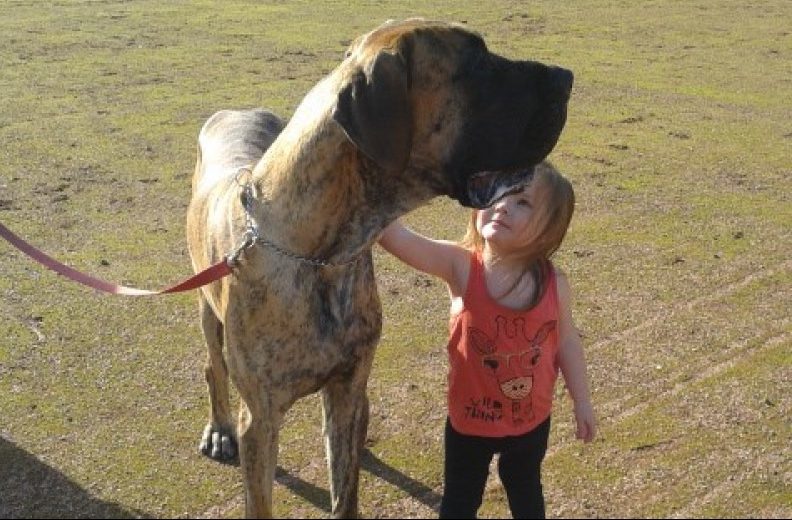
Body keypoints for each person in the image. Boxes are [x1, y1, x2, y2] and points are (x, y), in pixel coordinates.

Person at [378, 162, 596, 519]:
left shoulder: (555, 284)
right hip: (469, 424)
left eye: (523, 202)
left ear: (549, 228)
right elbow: (397, 238)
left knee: (525, 486)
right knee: (460, 500)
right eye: (497, 193)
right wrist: (373, 191)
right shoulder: (460, 266)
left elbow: (567, 343)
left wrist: (582, 401)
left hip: (531, 421)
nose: (503, 205)